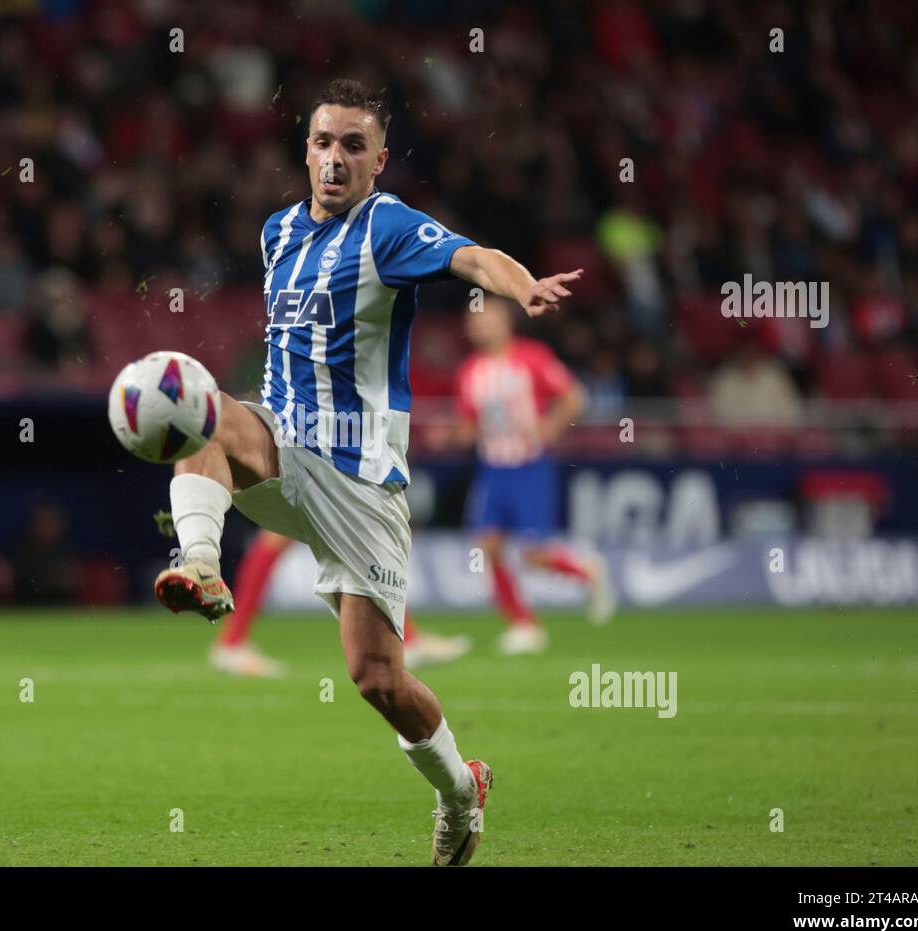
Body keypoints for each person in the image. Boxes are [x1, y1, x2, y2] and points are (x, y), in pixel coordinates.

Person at [151, 79, 584, 865]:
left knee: (379, 679)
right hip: (286, 445)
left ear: (378, 161)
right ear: (305, 151)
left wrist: (520, 285)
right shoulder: (277, 232)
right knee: (199, 413)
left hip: (361, 478)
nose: (336, 158)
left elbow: (469, 256)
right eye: (323, 142)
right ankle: (200, 566)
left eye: (354, 145)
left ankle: (462, 790)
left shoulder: (388, 225)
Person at [451, 298, 616, 655]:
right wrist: (456, 435)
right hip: (492, 469)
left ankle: (587, 573)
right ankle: (523, 625)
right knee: (488, 547)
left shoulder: (532, 357)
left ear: (506, 323)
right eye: (474, 320)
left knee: (533, 554)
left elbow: (574, 396)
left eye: (487, 318)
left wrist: (551, 426)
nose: (479, 325)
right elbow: (467, 425)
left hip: (530, 465)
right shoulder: (469, 371)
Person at [210, 529, 472, 677]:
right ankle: (232, 642)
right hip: (307, 446)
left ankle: (408, 638)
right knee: (360, 534)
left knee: (363, 537)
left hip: (308, 444)